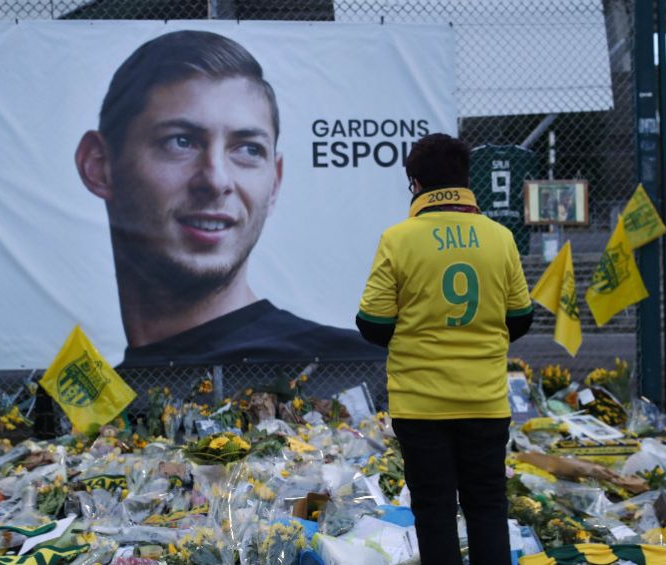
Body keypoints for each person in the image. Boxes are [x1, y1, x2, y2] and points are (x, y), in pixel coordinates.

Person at [75, 30, 381, 367]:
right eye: (180, 142)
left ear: (275, 182)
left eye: (248, 150)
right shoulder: (90, 404)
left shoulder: (355, 370)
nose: (217, 180)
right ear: (99, 166)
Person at [356, 133, 534, 564]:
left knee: (434, 511)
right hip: (484, 400)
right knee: (488, 506)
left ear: (415, 183)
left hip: (421, 404)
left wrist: (417, 330)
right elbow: (521, 318)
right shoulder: (499, 237)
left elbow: (373, 323)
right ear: (465, 178)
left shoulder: (399, 239)